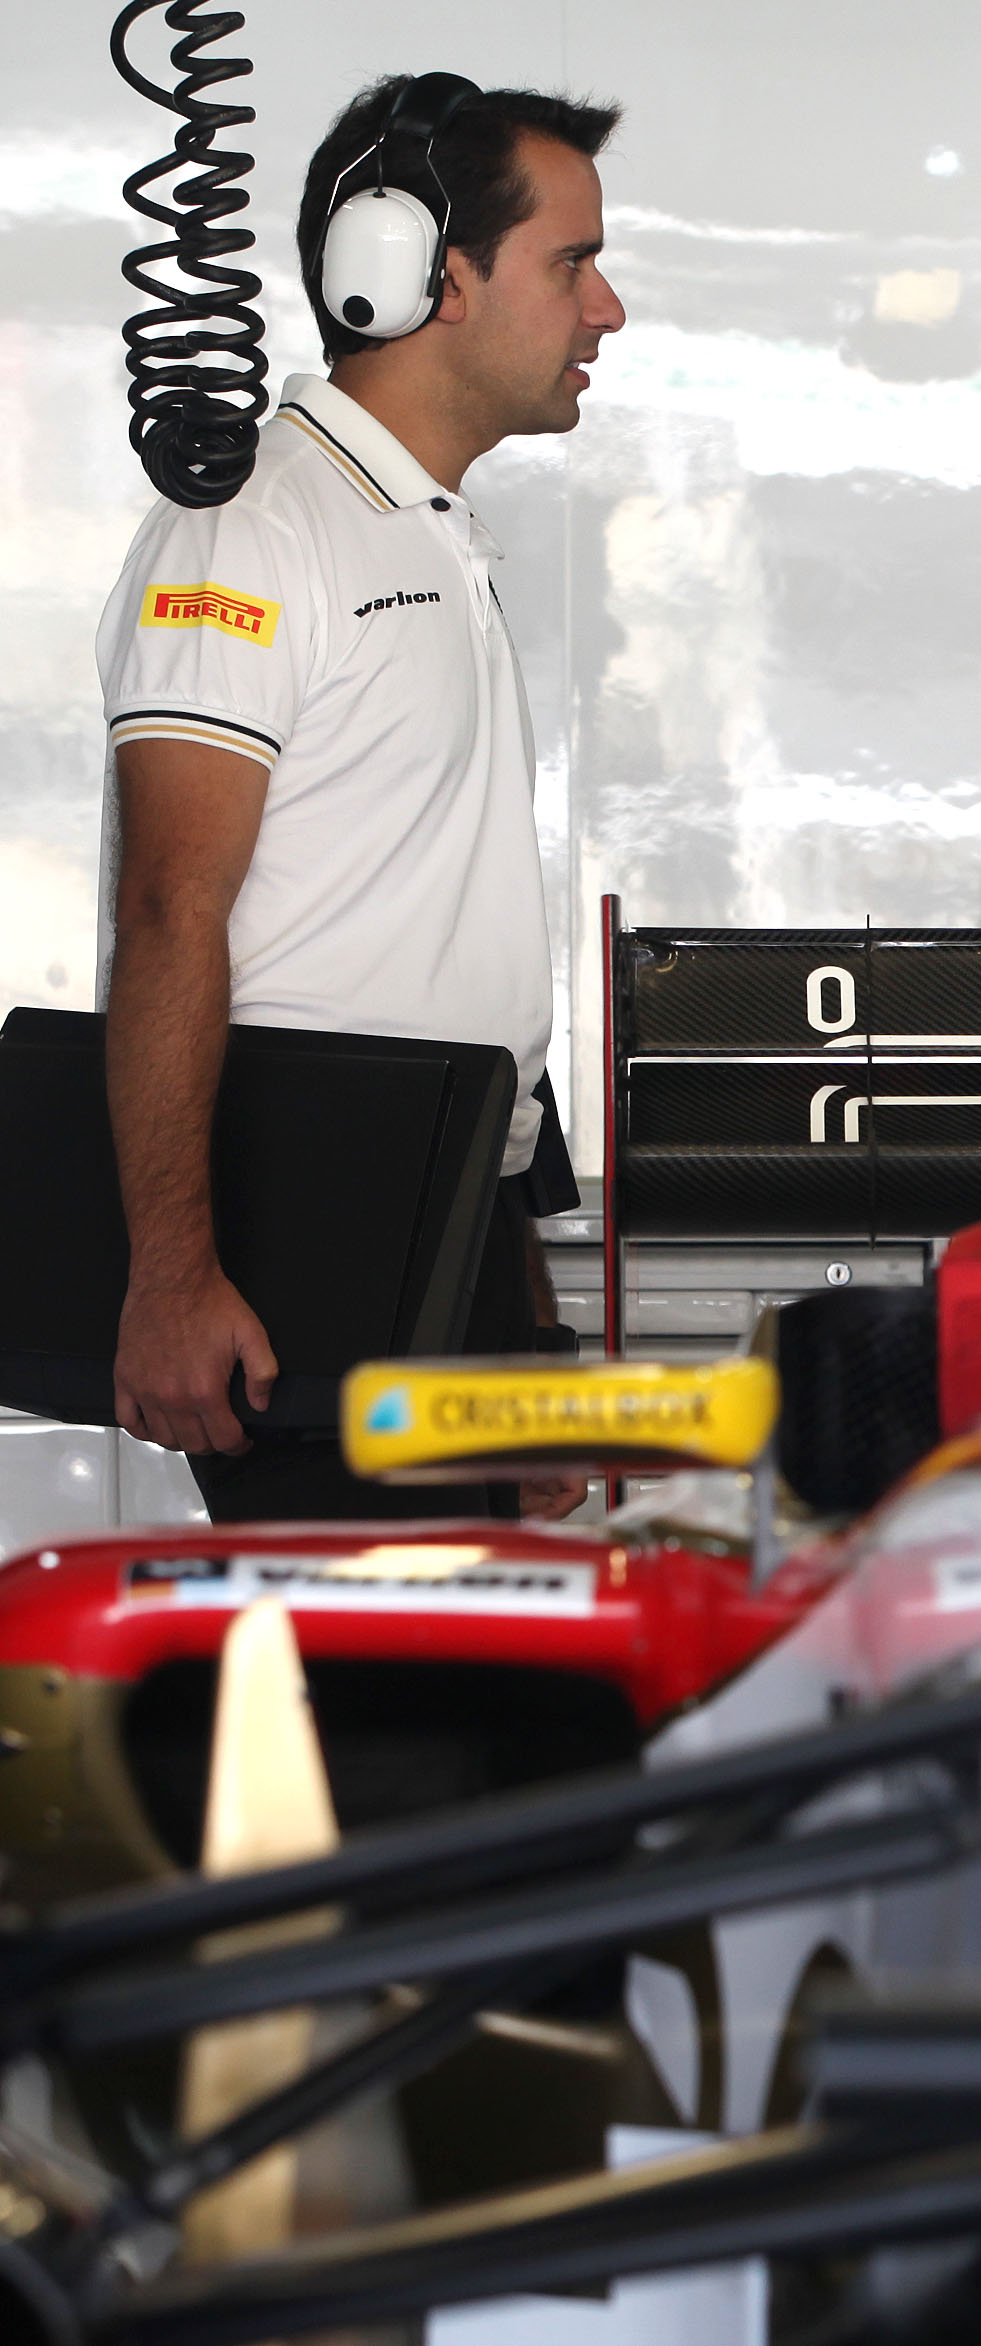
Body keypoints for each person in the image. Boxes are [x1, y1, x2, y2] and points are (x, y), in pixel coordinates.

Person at [93, 74, 625, 1521]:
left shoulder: (435, 529)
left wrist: (528, 1340)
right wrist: (171, 1277)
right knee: (384, 1733)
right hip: (309, 1264)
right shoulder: (253, 529)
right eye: (571, 263)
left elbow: (448, 973)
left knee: (505, 1727)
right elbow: (166, 907)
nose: (606, 310)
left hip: (448, 1241)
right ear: (424, 274)